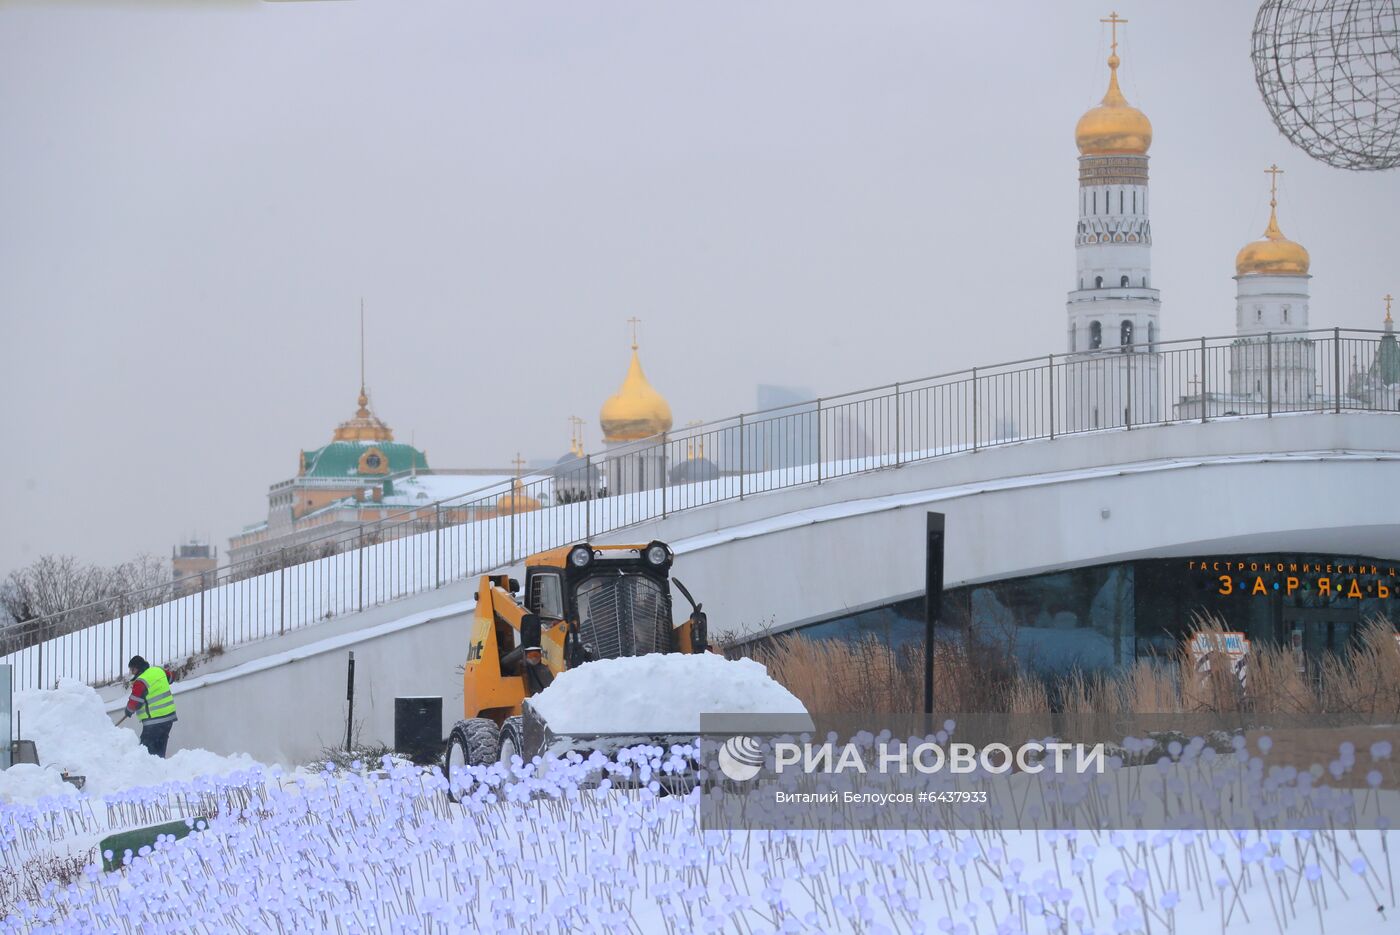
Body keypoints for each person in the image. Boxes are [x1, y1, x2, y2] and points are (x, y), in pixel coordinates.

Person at [118, 655, 178, 757]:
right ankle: (159, 769)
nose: (132, 672)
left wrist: (128, 711)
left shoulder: (141, 681)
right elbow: (171, 677)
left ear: (139, 667)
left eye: (133, 669)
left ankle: (151, 771)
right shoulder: (158, 670)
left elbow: (134, 703)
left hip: (154, 722)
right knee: (159, 751)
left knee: (146, 754)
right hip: (168, 719)